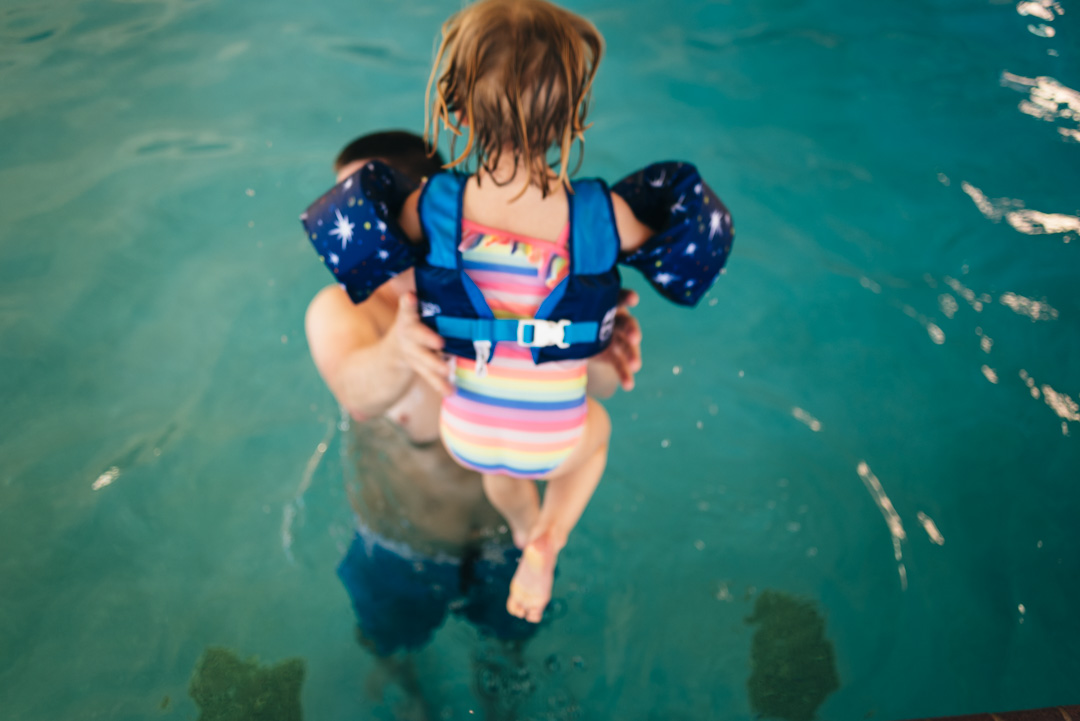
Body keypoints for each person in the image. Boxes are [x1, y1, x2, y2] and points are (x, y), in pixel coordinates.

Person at [304, 130, 644, 716]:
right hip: (401, 544)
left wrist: (599, 351)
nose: (357, 230)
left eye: (370, 207)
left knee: (507, 659)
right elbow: (354, 387)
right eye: (344, 211)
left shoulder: (510, 282)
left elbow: (600, 394)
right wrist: (401, 349)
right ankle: (412, 698)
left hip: (505, 541)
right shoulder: (343, 309)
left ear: (424, 211)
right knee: (393, 654)